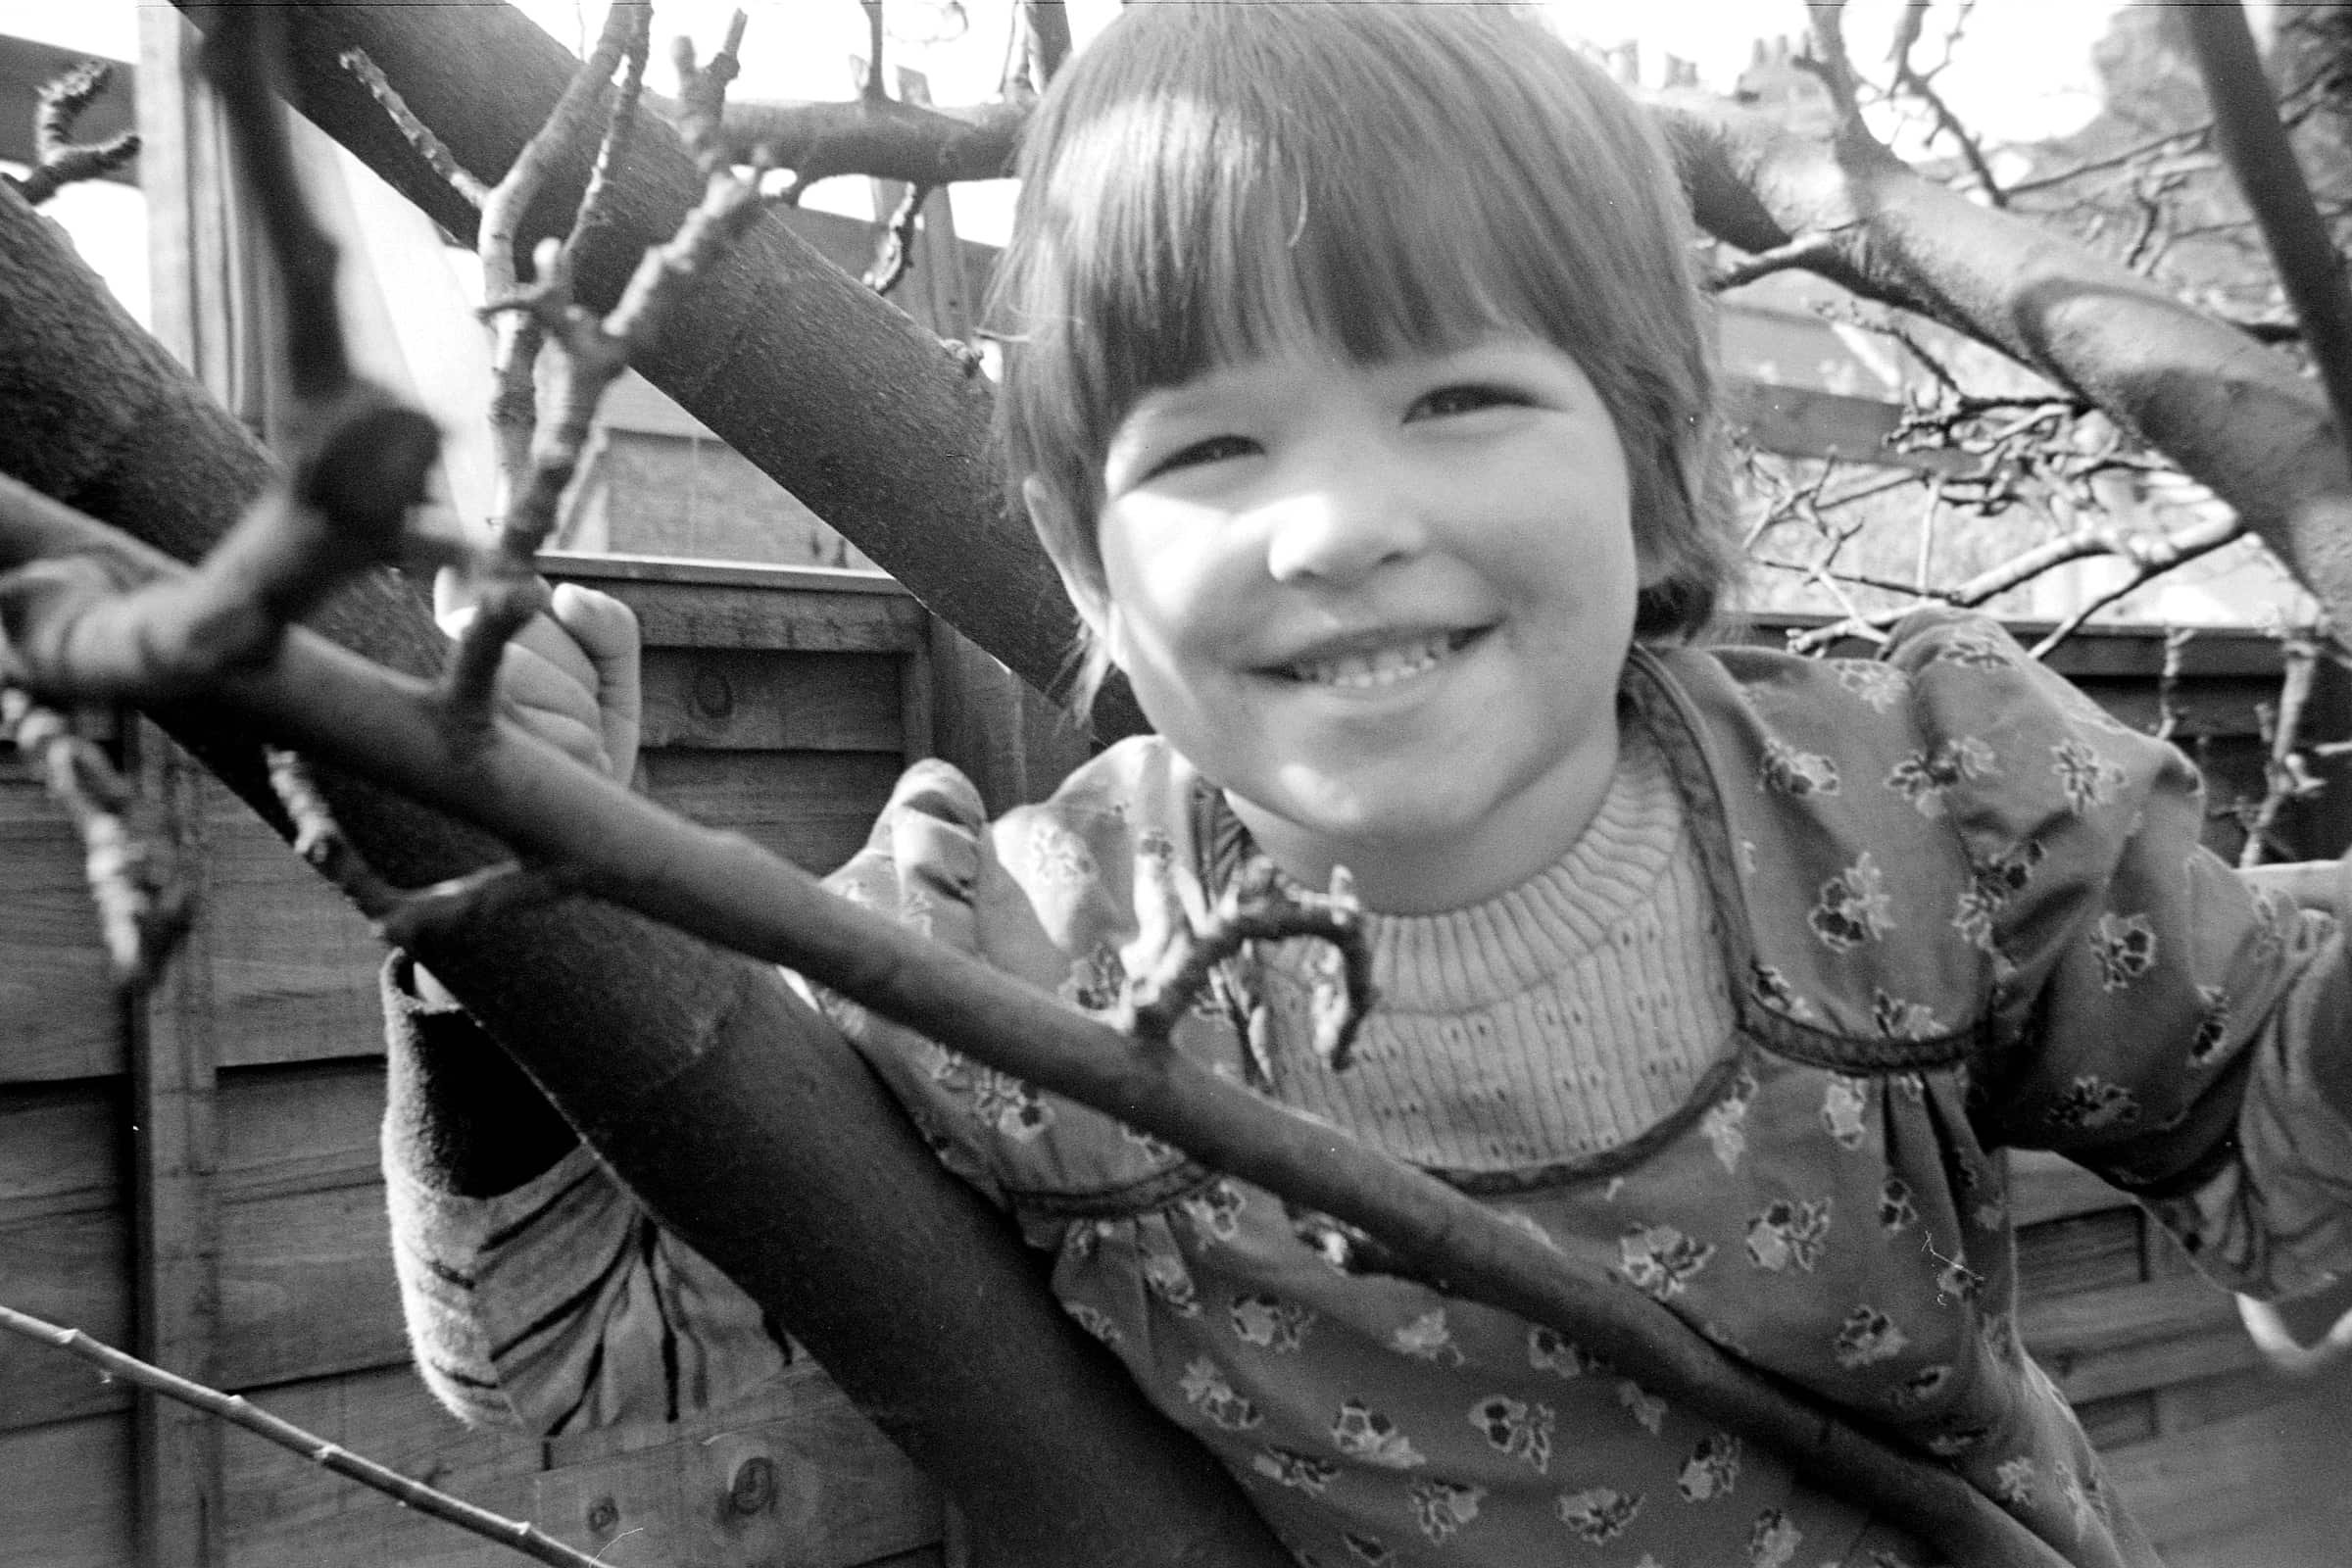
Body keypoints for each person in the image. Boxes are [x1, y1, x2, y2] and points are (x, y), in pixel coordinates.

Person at [381, 7, 2352, 1566]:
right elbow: (573, 1358)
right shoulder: (1021, 960)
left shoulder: (1910, 813)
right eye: (1212, 449)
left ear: (1651, 462)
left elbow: (2279, 1156)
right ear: (1089, 563)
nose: (1329, 524)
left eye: (1457, 399)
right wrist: (505, 919)